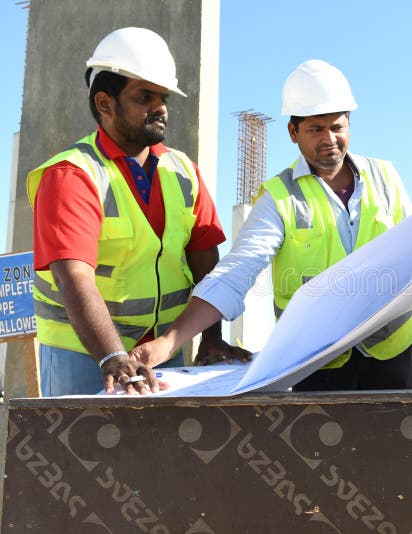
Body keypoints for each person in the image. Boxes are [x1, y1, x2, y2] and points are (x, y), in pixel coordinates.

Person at [130, 59, 412, 391]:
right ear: (293, 131)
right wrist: (167, 343)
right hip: (316, 365)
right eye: (316, 129)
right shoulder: (277, 197)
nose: (329, 139)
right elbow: (235, 273)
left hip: (391, 356)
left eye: (337, 126)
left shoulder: (385, 176)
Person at [27, 27, 247, 396]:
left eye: (162, 97)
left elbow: (205, 261)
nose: (159, 107)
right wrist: (111, 356)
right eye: (144, 96)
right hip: (84, 355)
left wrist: (210, 337)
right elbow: (75, 279)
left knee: (161, 452)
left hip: (161, 353)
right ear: (104, 103)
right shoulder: (72, 175)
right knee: (83, 452)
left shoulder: (184, 171)